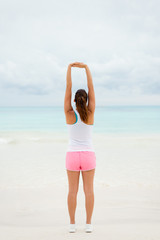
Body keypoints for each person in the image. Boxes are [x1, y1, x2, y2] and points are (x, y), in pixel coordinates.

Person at [64, 62, 96, 233]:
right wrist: (86, 68)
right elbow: (91, 87)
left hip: (72, 156)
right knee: (89, 191)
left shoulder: (69, 113)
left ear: (74, 100)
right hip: (88, 155)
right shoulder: (90, 113)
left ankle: (72, 225)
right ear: (87, 100)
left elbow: (68, 86)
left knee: (72, 192)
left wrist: (69, 67)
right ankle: (89, 225)